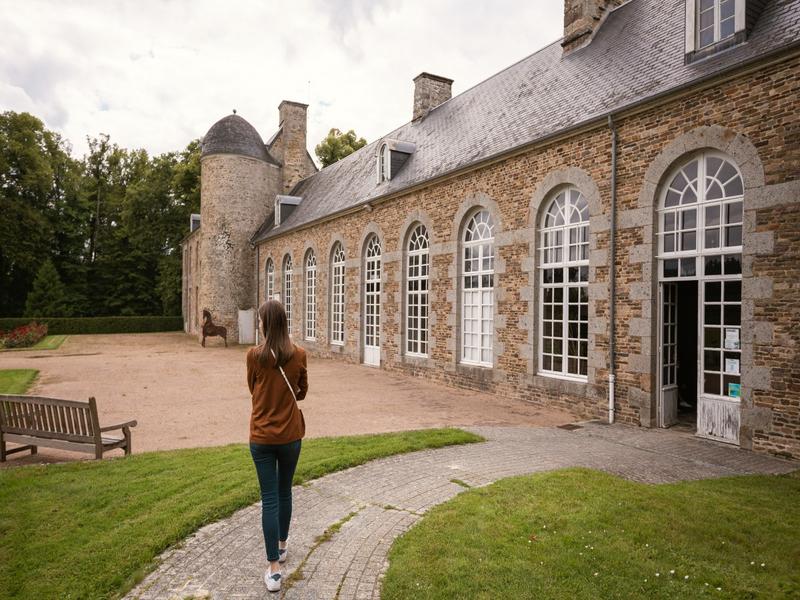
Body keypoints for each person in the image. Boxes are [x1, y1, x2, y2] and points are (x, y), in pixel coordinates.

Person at [247, 299, 307, 593]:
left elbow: (252, 389)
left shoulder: (254, 356)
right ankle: (282, 546)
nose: (258, 325)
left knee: (269, 498)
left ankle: (273, 570)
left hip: (261, 437)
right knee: (285, 491)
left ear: (265, 324)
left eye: (260, 321)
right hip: (290, 437)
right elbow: (303, 392)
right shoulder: (299, 355)